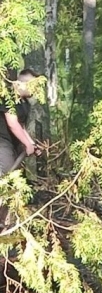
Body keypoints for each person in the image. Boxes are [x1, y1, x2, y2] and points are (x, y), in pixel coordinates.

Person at [0, 68, 42, 227]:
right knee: (6, 179)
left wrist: (31, 143)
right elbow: (12, 124)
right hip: (2, 143)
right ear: (21, 84)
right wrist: (26, 143)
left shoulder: (24, 103)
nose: (35, 90)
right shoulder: (7, 97)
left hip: (14, 145)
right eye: (33, 86)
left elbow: (21, 126)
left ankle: (4, 221)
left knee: (14, 182)